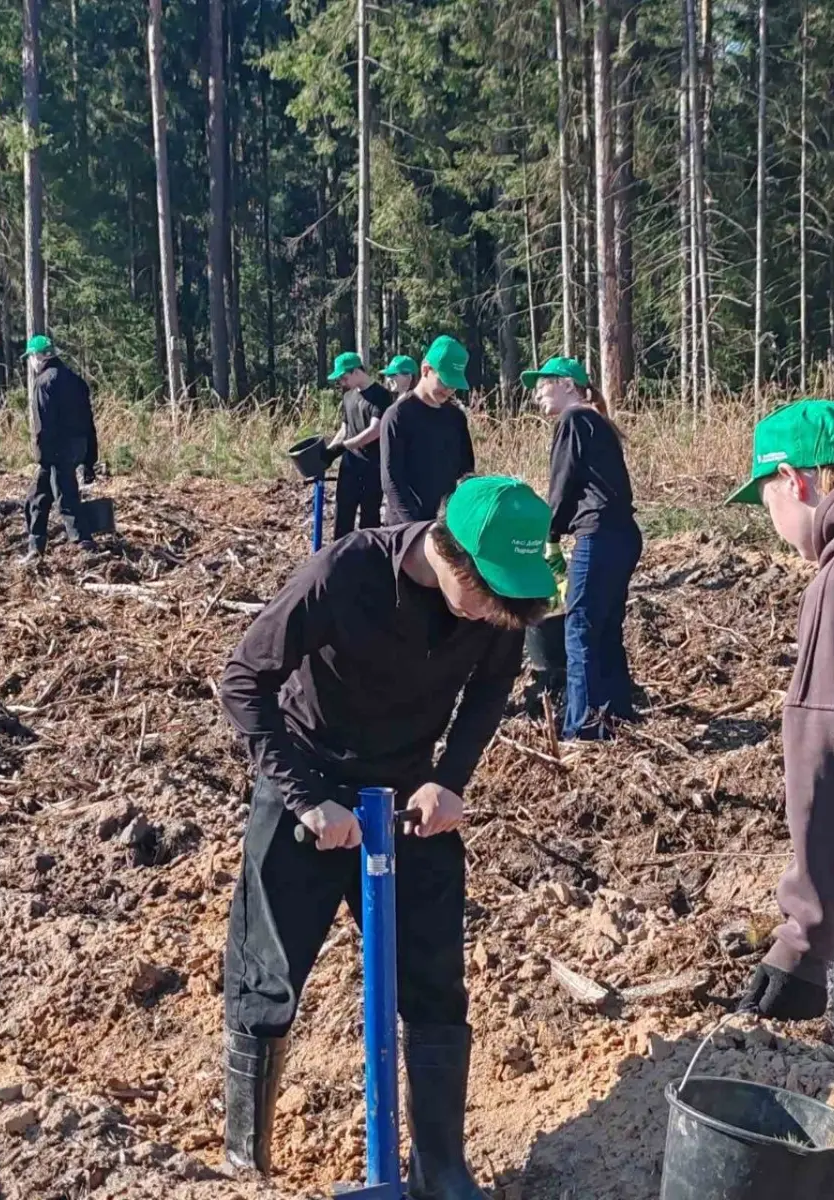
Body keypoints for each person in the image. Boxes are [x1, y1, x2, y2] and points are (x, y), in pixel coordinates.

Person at [220, 474, 558, 1189]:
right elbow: (245, 681)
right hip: (309, 785)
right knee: (266, 978)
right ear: (450, 551)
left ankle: (440, 1169)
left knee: (434, 982)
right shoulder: (343, 574)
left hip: (408, 796)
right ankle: (246, 1163)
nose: (494, 612)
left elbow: (490, 688)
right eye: (488, 592)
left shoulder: (494, 610)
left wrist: (451, 779)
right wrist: (308, 800)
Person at [731, 402, 834, 1066]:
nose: (771, 521)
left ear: (794, 480)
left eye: (765, 499)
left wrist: (804, 939)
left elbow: (827, 761)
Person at [522, 356, 640, 741]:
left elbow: (561, 485)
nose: (537, 393)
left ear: (568, 385)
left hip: (599, 535)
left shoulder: (572, 421)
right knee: (605, 627)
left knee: (580, 629)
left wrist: (549, 536)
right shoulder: (597, 422)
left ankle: (583, 729)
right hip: (623, 536)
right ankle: (617, 715)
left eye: (543, 384)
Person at [380, 336, 475, 525]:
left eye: (454, 385)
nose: (449, 390)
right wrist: (417, 528)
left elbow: (466, 471)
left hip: (445, 523)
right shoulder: (397, 416)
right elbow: (391, 481)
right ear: (426, 370)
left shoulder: (456, 417)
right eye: (444, 382)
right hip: (405, 527)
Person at [20, 335, 98, 564]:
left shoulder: (44, 382)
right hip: (78, 447)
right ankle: (36, 548)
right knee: (38, 497)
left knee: (65, 497)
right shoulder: (76, 380)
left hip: (56, 450)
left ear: (39, 356)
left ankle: (83, 543)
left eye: (31, 357)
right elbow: (89, 421)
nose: (31, 363)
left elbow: (42, 425)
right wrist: (90, 460)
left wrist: (42, 456)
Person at [324, 352, 391, 539]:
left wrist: (344, 446)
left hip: (372, 467)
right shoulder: (348, 397)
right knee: (343, 513)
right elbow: (344, 429)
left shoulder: (381, 395)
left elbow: (375, 430)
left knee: (369, 517)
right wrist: (330, 451)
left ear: (356, 372)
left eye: (344, 377)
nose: (342, 382)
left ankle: (368, 554)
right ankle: (339, 552)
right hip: (350, 466)